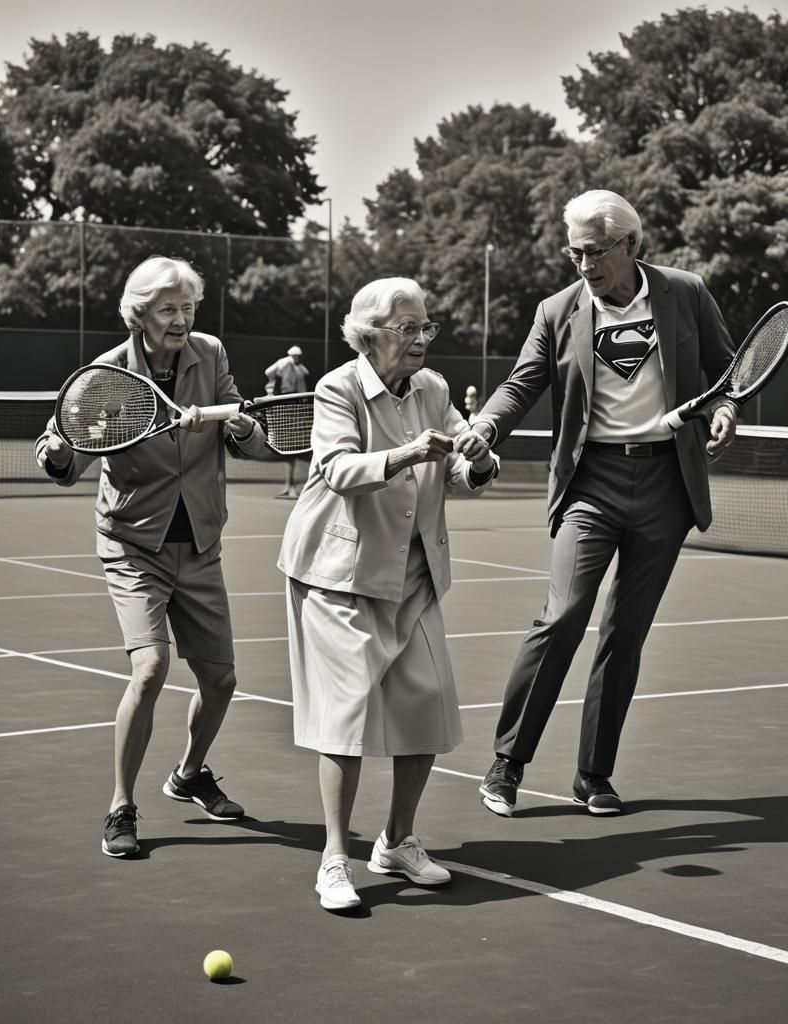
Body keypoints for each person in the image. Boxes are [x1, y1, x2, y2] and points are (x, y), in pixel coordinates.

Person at [469, 190, 737, 819]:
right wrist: (485, 426)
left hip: (668, 487)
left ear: (631, 246)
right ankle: (506, 764)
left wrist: (727, 408)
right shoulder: (557, 310)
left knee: (626, 633)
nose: (583, 264)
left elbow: (728, 373)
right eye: (574, 252)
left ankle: (593, 774)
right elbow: (521, 383)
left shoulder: (686, 292)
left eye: (594, 251)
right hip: (592, 485)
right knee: (562, 618)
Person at [277, 277, 499, 911]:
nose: (421, 339)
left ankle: (398, 840)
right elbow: (338, 469)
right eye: (408, 328)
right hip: (337, 577)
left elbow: (461, 462)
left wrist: (478, 458)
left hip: (414, 575)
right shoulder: (336, 388)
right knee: (344, 721)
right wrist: (405, 455)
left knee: (424, 710)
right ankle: (332, 861)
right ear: (369, 334)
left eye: (426, 327)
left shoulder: (434, 389)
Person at [35, 256, 267, 858]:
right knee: (152, 668)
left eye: (188, 308)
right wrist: (58, 450)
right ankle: (121, 806)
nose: (181, 319)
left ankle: (189, 774)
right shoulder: (108, 376)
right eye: (168, 309)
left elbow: (250, 438)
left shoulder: (209, 355)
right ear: (139, 314)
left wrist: (238, 427)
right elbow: (67, 460)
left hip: (201, 543)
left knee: (221, 680)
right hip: (134, 544)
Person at [265, 344, 310, 498]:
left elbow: (303, 382)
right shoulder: (284, 364)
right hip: (286, 406)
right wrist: (271, 390)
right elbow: (269, 373)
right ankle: (289, 485)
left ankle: (294, 485)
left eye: (299, 356)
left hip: (297, 407)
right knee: (288, 445)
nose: (297, 358)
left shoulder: (301, 369)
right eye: (295, 356)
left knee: (296, 445)